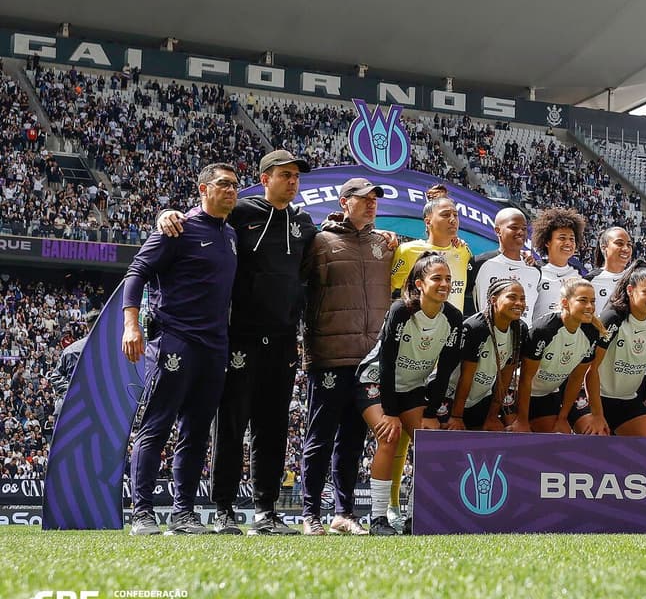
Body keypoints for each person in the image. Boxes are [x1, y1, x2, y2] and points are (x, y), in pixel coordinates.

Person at [157, 149, 317, 536]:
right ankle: (224, 509)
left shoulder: (303, 222)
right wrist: (167, 214)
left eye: (296, 176)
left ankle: (266, 511)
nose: (293, 181)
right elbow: (202, 217)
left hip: (284, 339)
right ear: (265, 180)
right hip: (240, 337)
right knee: (231, 424)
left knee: (273, 428)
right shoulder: (241, 211)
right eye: (285, 175)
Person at [122, 162, 239, 536]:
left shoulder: (231, 234)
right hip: (175, 338)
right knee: (156, 426)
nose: (231, 190)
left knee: (196, 433)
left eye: (235, 185)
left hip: (214, 346)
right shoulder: (177, 228)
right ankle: (142, 513)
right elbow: (136, 272)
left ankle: (183, 514)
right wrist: (131, 325)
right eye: (223, 184)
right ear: (203, 189)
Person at [299, 177, 394, 536]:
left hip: (368, 361)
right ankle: (310, 514)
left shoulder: (383, 244)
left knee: (353, 441)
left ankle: (344, 513)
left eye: (374, 199)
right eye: (363, 198)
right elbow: (299, 291)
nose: (371, 204)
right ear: (344, 202)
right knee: (320, 438)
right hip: (330, 355)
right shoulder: (320, 242)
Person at [357, 253, 465, 536]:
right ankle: (378, 519)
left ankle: (416, 516)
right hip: (376, 381)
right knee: (389, 437)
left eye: (448, 279)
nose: (444, 284)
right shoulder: (400, 311)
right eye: (437, 278)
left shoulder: (454, 318)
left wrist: (430, 413)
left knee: (429, 438)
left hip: (412, 386)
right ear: (419, 284)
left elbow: (445, 370)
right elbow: (387, 363)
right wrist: (391, 413)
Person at [434, 279, 529, 432]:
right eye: (512, 297)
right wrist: (457, 417)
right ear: (493, 300)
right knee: (449, 435)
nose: (519, 303)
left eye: (522, 299)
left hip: (480, 398)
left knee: (492, 433)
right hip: (451, 396)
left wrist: (492, 416)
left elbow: (505, 376)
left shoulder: (520, 329)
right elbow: (466, 376)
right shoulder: (476, 328)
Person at [512, 278, 603, 435]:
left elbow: (576, 378)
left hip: (547, 394)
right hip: (516, 394)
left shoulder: (591, 332)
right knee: (520, 435)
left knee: (562, 434)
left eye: (592, 301)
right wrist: (522, 420)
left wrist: (562, 417)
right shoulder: (544, 330)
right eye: (583, 300)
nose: (590, 306)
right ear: (565, 302)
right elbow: (526, 378)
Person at [590, 264, 646, 437]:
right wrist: (597, 415)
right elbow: (591, 367)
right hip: (595, 397)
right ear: (630, 290)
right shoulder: (612, 318)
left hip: (628, 399)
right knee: (597, 438)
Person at [389, 195, 472, 311]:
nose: (453, 220)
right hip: (416, 321)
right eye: (445, 215)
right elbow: (388, 287)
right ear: (428, 222)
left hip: (453, 322)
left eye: (455, 215)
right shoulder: (407, 251)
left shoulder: (464, 251)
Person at [469, 207, 540, 321]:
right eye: (514, 227)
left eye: (524, 228)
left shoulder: (535, 269)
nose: (521, 232)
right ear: (498, 231)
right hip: (488, 331)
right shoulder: (479, 263)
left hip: (524, 332)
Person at [528, 207, 587, 321]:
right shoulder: (534, 270)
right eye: (562, 238)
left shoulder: (579, 274)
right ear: (547, 242)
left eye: (572, 239)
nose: (568, 243)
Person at [585, 226, 633, 313]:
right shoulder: (589, 281)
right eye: (619, 243)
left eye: (629, 245)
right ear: (604, 248)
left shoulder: (636, 279)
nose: (626, 249)